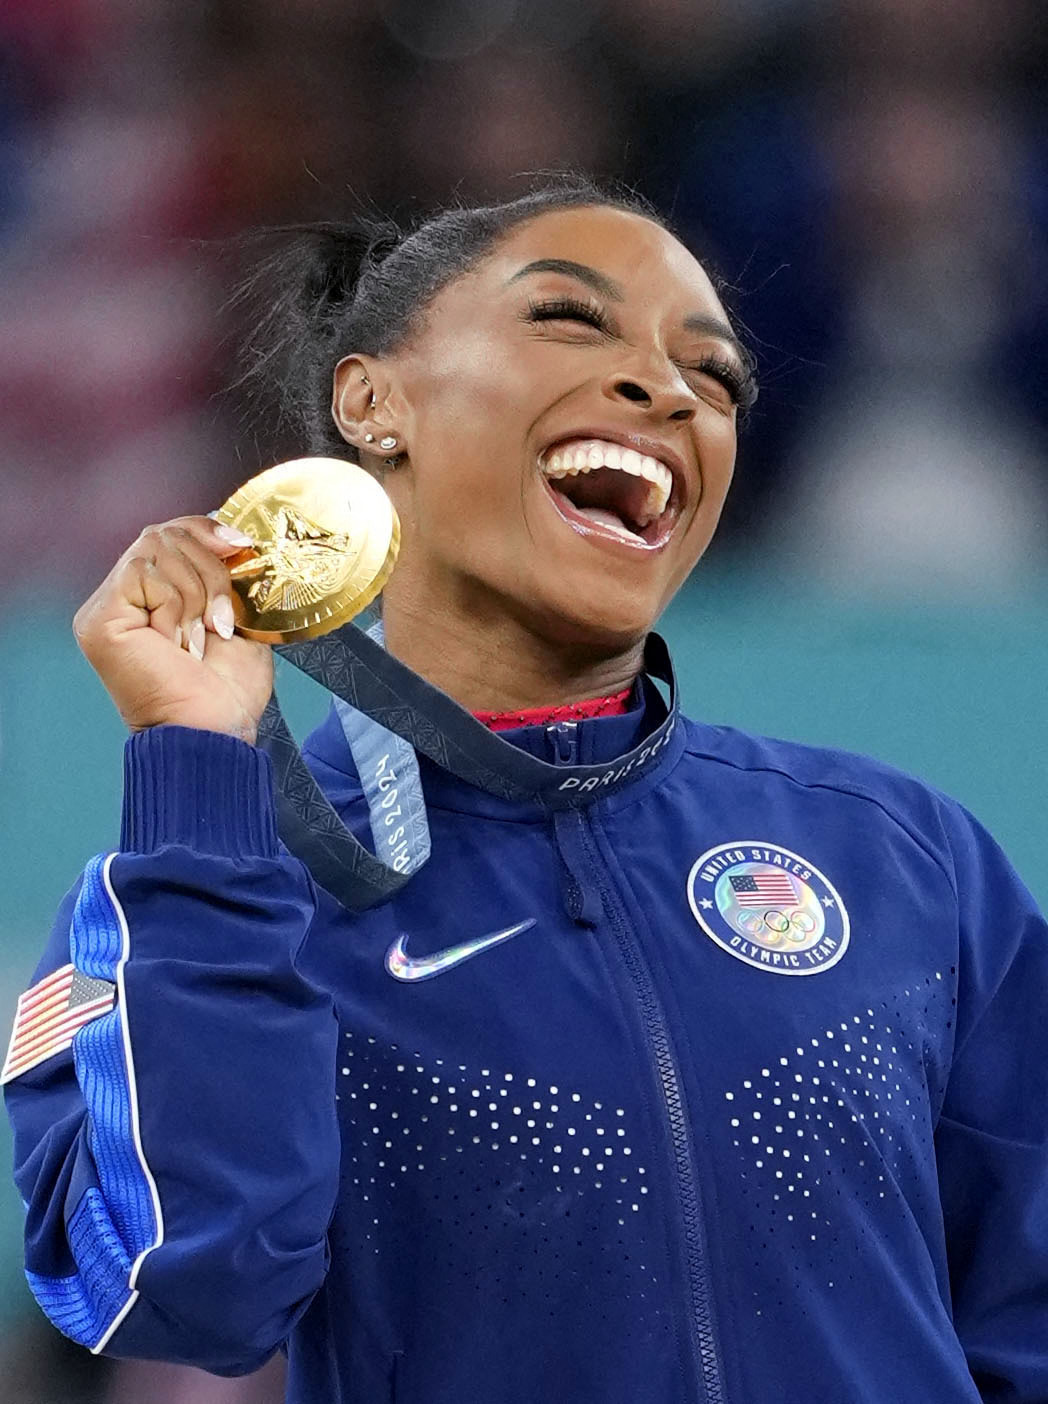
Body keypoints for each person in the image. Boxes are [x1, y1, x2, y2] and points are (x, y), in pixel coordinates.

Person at [5, 178, 1047, 1403]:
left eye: (712, 379)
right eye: (569, 317)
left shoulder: (901, 858)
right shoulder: (209, 892)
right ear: (371, 399)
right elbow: (185, 1290)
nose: (669, 390)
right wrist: (194, 766)